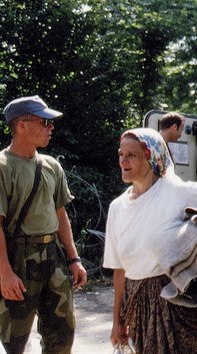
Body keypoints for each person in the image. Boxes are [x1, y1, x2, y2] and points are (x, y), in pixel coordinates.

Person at [104, 128, 197, 353]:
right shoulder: (118, 208)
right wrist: (117, 321)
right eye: (121, 154)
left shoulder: (175, 192)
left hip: (177, 303)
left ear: (151, 158)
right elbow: (119, 270)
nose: (123, 161)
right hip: (138, 307)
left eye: (132, 155)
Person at [0, 95, 87, 353]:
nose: (51, 128)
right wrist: (4, 273)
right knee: (11, 341)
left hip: (53, 257)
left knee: (62, 336)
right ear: (22, 125)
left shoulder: (51, 165)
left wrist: (73, 259)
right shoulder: (3, 166)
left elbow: (60, 215)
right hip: (18, 259)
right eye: (45, 122)